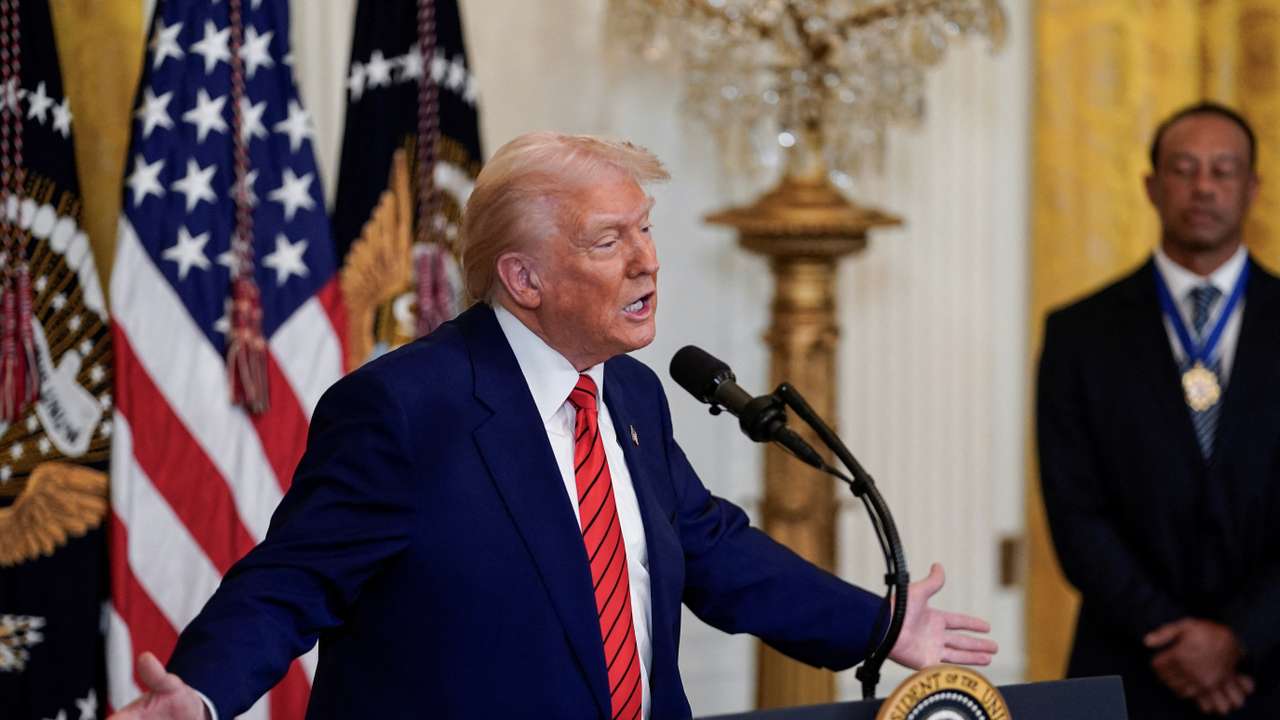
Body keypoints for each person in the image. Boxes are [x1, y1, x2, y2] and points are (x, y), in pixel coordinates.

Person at [112, 132, 997, 720]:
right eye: (610, 241)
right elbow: (290, 581)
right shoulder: (408, 408)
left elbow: (714, 552)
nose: (649, 260)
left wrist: (878, 627)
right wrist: (199, 693)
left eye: (646, 230)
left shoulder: (633, 395)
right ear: (524, 279)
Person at [1038, 102, 1280, 718]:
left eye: (1223, 171)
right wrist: (1178, 639)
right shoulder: (1079, 333)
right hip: (1131, 664)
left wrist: (1239, 638)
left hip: (1271, 671)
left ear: (1252, 187)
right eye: (1184, 168)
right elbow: (1075, 513)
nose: (1203, 186)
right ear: (1151, 186)